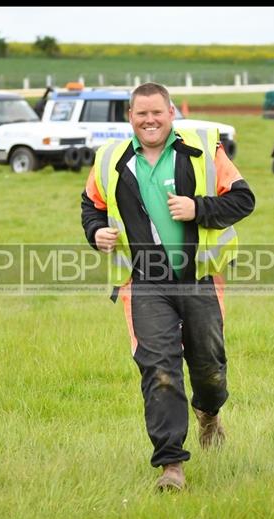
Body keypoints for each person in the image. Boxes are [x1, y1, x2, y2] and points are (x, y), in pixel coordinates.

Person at [80, 82, 255, 492]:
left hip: (198, 280)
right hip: (145, 284)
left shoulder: (203, 149)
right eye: (141, 114)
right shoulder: (110, 159)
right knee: (159, 369)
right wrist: (96, 232)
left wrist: (200, 208)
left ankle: (209, 414)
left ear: (171, 113)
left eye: (157, 112)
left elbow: (244, 200)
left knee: (209, 369)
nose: (149, 120)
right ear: (130, 118)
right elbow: (92, 205)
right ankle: (171, 465)